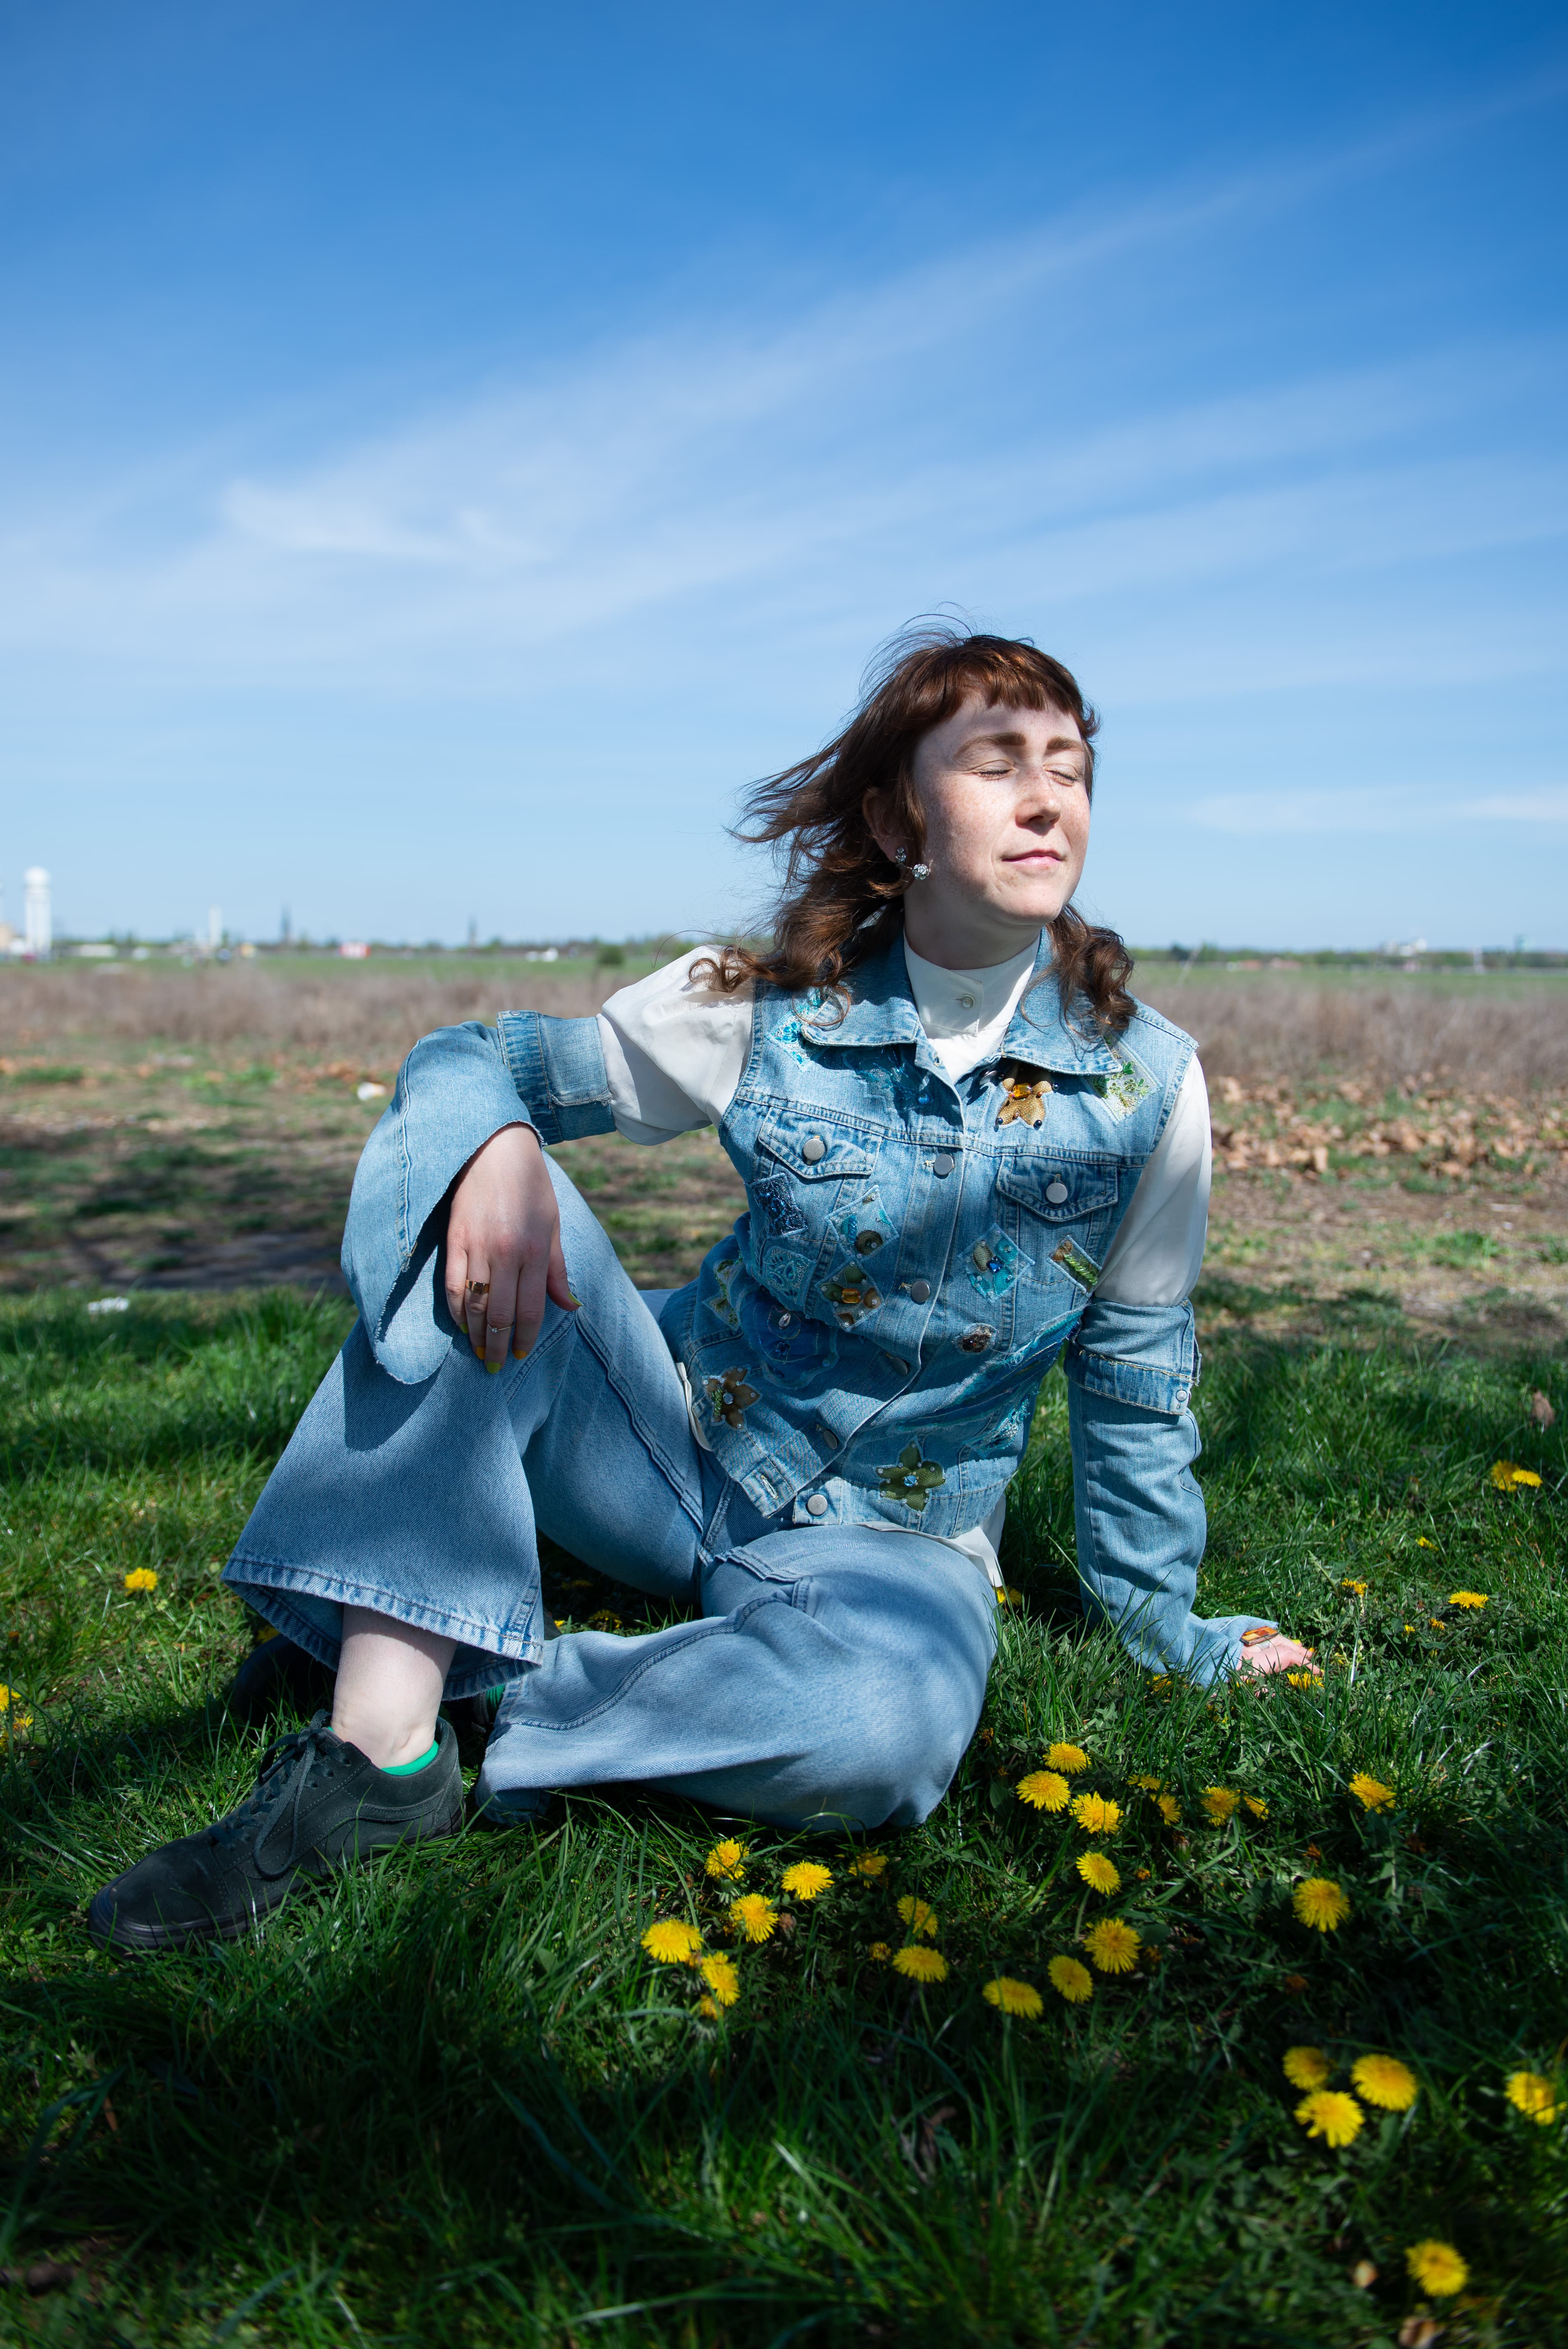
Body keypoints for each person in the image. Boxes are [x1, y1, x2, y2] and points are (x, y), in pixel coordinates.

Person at [89, 626, 1310, 1951]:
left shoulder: (1149, 1090)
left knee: (881, 1734)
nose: (1045, 798)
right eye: (997, 762)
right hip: (667, 1448)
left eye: (1069, 769)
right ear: (898, 817)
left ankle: (461, 1679)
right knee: (484, 1186)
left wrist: (1164, 1622)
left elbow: (1134, 1382)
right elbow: (470, 1059)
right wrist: (498, 1142)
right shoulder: (763, 1002)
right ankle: (377, 1756)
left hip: (891, 1555)